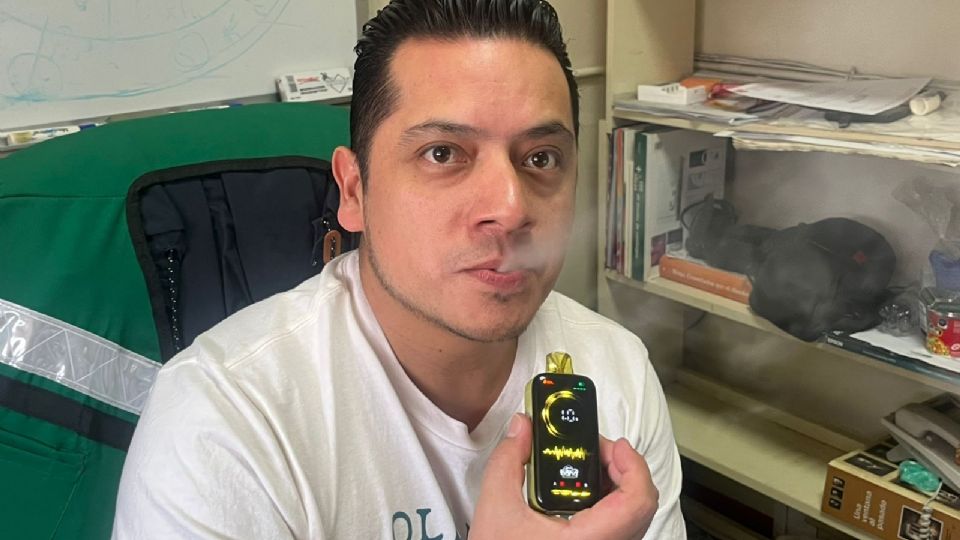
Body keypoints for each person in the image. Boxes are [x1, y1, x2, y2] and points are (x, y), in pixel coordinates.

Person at [112, 0, 686, 538]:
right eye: (443, 153)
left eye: (541, 158)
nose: (510, 209)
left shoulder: (615, 370)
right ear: (354, 190)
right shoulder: (223, 420)